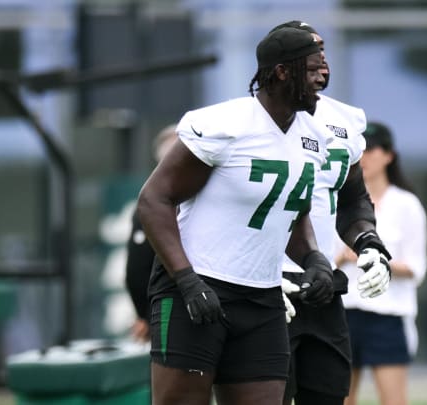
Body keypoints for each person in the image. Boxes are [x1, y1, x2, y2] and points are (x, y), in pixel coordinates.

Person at [136, 27, 343, 405]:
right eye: (314, 69)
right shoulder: (226, 124)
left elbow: (290, 210)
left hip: (262, 297)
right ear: (282, 72)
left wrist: (313, 258)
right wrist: (187, 280)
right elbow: (153, 201)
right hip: (196, 290)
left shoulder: (316, 136)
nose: (322, 79)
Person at [269, 21, 393, 405]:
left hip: (322, 282)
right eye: (311, 54)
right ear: (282, 66)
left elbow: (352, 195)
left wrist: (368, 242)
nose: (322, 63)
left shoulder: (346, 119)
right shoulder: (251, 120)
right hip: (265, 285)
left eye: (323, 52)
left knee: (328, 395)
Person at [335, 122, 427, 405]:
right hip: (343, 311)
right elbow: (321, 257)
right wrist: (343, 256)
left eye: (372, 149)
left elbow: (416, 267)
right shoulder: (338, 201)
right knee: (340, 398)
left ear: (389, 155)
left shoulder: (407, 205)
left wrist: (376, 259)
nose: (365, 157)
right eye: (360, 150)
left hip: (387, 315)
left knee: (393, 400)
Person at [124, 124, 177, 342]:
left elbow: (136, 271)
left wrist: (145, 315)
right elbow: (137, 269)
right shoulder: (153, 203)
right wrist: (145, 315)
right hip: (171, 309)